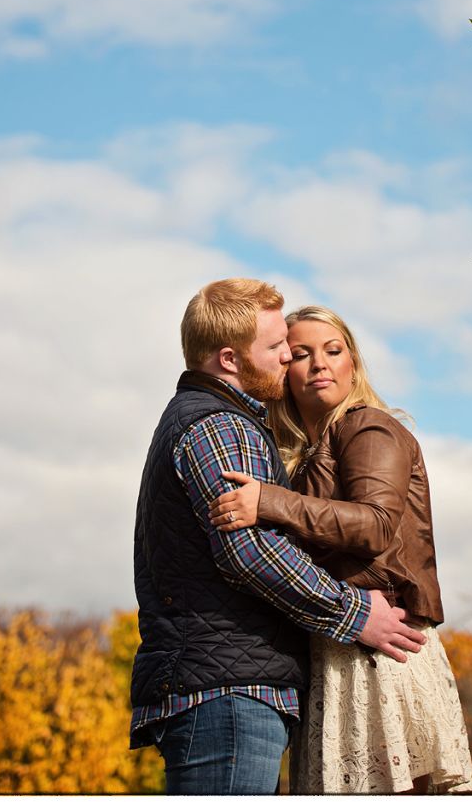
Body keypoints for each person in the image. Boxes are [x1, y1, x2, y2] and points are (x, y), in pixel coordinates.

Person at [130, 279, 427, 796]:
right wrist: (355, 612)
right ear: (228, 359)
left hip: (225, 680)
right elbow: (250, 551)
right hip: (228, 689)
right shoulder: (223, 426)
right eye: (276, 348)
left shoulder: (222, 421)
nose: (289, 355)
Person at [209, 304, 472, 794]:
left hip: (387, 650)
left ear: (353, 361)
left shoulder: (368, 427)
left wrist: (269, 501)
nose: (319, 365)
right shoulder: (298, 451)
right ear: (283, 369)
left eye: (333, 351)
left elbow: (373, 526)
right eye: (301, 354)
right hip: (336, 649)